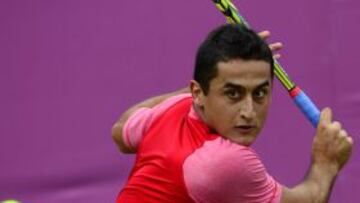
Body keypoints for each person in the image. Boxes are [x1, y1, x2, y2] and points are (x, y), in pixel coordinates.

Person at [112, 24, 353, 203]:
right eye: (233, 93)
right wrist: (326, 162)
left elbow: (121, 131)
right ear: (198, 92)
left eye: (259, 93)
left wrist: (211, 81)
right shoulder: (222, 163)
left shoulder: (172, 109)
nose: (249, 112)